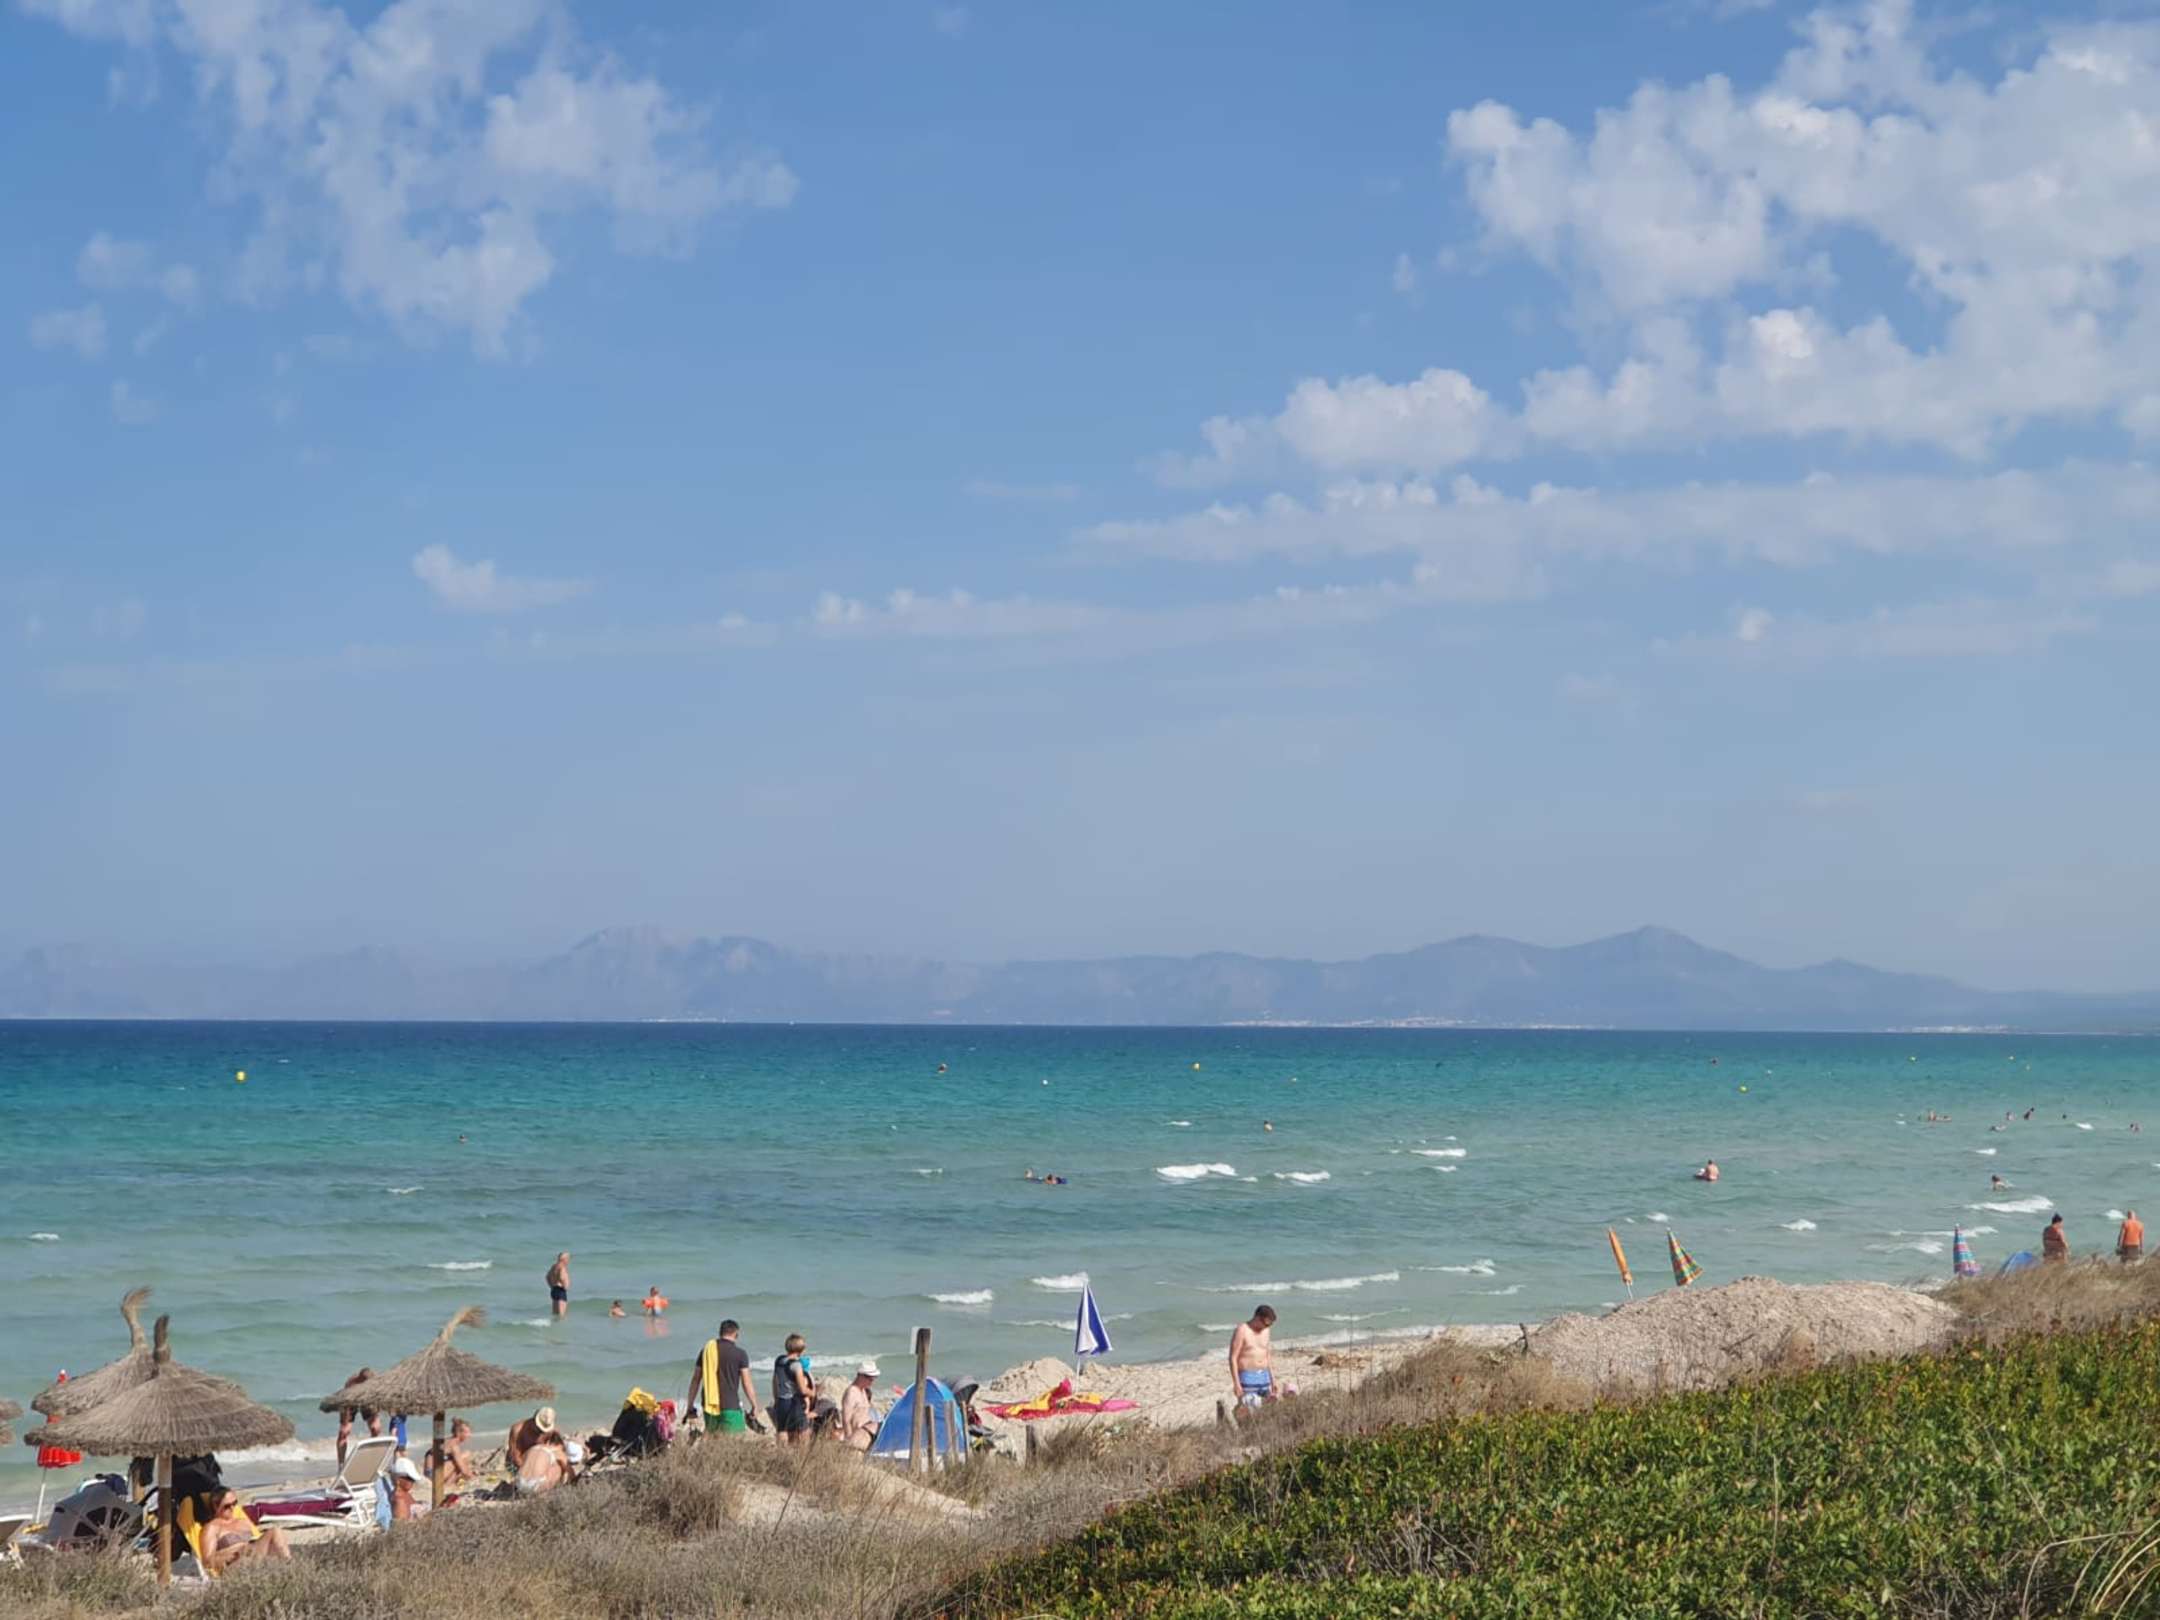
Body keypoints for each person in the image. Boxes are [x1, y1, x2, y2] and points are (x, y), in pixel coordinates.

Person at [687, 1320, 760, 1434]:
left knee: (713, 1438)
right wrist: (754, 1405)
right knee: (734, 1440)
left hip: (709, 1404)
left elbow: (696, 1379)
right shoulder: (740, 1353)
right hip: (730, 1405)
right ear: (736, 1334)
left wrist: (690, 1405)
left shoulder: (706, 1351)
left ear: (720, 1332)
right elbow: (746, 1383)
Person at [200, 1489, 292, 1572]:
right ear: (215, 1506)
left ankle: (289, 1566)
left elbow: (256, 1540)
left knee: (275, 1531)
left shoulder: (243, 1521)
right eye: (227, 1506)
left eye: (234, 1503)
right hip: (235, 1563)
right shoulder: (212, 1527)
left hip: (253, 1555)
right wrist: (231, 1555)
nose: (232, 1508)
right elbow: (207, 1561)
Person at [1229, 1305, 1278, 1415]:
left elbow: (1267, 1355)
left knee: (1266, 1411)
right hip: (1247, 1377)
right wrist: (1236, 1383)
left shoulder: (1266, 1331)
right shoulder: (1242, 1330)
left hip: (1264, 1376)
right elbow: (1233, 1357)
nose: (1266, 1327)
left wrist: (1273, 1379)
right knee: (1247, 1411)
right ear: (1257, 1318)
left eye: (1269, 1325)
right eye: (1265, 1324)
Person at [772, 1333, 817, 1447]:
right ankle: (801, 1456)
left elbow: (775, 1381)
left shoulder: (779, 1361)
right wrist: (812, 1393)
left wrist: (776, 1398)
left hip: (782, 1400)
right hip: (794, 1402)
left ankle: (781, 1453)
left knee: (782, 1430)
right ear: (801, 1350)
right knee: (803, 1433)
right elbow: (802, 1389)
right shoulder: (796, 1365)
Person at [333, 1368, 377, 1465]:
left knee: (375, 1428)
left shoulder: (374, 1384)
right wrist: (345, 1420)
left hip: (367, 1401)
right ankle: (341, 1464)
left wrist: (375, 1414)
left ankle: (373, 1457)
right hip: (350, 1402)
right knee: (344, 1432)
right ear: (360, 1379)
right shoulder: (351, 1384)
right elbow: (346, 1405)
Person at [514, 1432, 572, 1496]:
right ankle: (543, 1494)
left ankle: (522, 1491)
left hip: (519, 1483)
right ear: (559, 1445)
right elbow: (569, 1471)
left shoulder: (532, 1448)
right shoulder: (557, 1451)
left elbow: (520, 1462)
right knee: (559, 1466)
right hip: (536, 1485)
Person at [840, 1362, 882, 1452]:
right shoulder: (851, 1392)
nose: (872, 1381)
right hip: (859, 1433)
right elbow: (846, 1420)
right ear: (860, 1376)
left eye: (873, 1378)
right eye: (869, 1378)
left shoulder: (863, 1391)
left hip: (867, 1431)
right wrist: (849, 1440)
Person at [426, 1419, 477, 1486]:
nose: (469, 1435)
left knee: (461, 1458)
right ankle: (447, 1485)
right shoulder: (453, 1445)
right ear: (458, 1433)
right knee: (464, 1457)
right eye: (467, 1432)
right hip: (433, 1476)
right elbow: (463, 1470)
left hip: (428, 1473)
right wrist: (473, 1477)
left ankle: (447, 1484)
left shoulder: (447, 1440)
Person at [546, 1252, 571, 1317]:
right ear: (564, 1259)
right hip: (560, 1290)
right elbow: (561, 1277)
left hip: (554, 1290)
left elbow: (547, 1277)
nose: (568, 1261)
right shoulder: (562, 1267)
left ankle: (554, 1323)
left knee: (555, 1313)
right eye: (568, 1259)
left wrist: (551, 1286)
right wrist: (565, 1286)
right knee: (561, 1315)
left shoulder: (554, 1266)